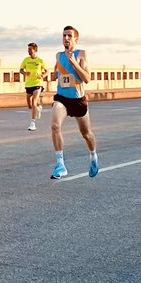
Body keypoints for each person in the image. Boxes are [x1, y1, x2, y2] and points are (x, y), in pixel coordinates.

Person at [49, 26, 100, 179]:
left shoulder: (81, 54)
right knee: (55, 126)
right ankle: (60, 165)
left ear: (75, 39)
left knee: (86, 133)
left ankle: (93, 157)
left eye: (69, 36)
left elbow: (87, 78)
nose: (66, 38)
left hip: (78, 100)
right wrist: (52, 75)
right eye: (64, 35)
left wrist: (74, 63)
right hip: (62, 98)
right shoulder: (58, 55)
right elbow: (56, 73)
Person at [18, 43, 49, 131]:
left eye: (30, 49)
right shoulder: (26, 60)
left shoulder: (40, 61)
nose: (28, 51)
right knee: (29, 105)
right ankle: (38, 108)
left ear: (35, 50)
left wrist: (42, 75)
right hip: (28, 84)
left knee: (33, 101)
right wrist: (25, 73)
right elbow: (20, 70)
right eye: (28, 49)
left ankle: (33, 123)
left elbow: (47, 71)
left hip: (38, 83)